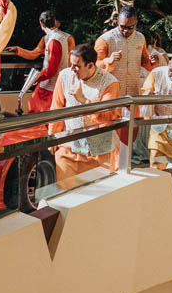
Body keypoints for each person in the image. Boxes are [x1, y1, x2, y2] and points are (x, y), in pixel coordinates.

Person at [47, 44, 122, 186]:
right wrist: (52, 137)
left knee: (95, 198)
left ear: (90, 65)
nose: (71, 69)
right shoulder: (65, 76)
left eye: (76, 66)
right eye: (71, 64)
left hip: (99, 152)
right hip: (69, 147)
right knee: (64, 193)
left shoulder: (110, 83)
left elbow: (108, 116)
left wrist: (84, 101)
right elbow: (56, 108)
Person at [95, 5, 155, 162]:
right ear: (117, 21)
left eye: (130, 27)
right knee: (109, 131)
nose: (126, 30)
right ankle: (108, 165)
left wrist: (151, 61)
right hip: (112, 95)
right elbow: (93, 66)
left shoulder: (140, 38)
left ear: (136, 23)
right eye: (122, 27)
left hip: (132, 93)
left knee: (131, 131)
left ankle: (124, 163)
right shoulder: (105, 39)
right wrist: (108, 60)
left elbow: (145, 63)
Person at [19, 11, 70, 113]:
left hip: (51, 86)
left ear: (41, 24)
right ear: (55, 22)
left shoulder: (53, 41)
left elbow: (51, 69)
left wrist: (35, 78)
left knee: (35, 110)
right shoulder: (62, 37)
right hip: (54, 83)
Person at [7, 16, 75, 60]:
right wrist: (17, 49)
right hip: (49, 76)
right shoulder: (45, 39)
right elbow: (33, 54)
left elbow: (71, 59)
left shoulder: (68, 38)